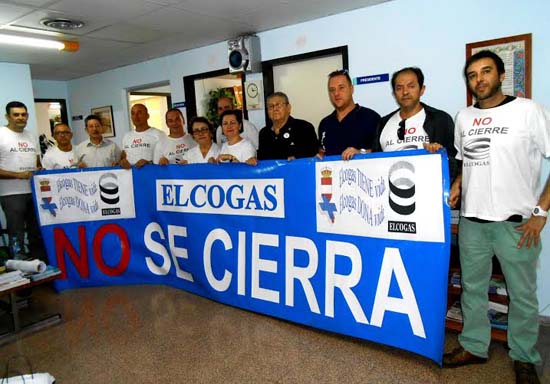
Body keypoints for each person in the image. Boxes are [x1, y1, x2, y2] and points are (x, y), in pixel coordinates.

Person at [443, 50, 549, 384]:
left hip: (516, 223)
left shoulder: (528, 111)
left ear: (501, 75)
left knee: (522, 295)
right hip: (472, 221)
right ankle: (474, 345)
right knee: (472, 290)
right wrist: (459, 184)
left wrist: (541, 212)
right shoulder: (464, 117)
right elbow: (468, 160)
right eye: (472, 75)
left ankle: (524, 357)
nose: (479, 80)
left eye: (485, 72)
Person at [373, 67, 457, 180]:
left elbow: (455, 163)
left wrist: (440, 152)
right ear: (394, 94)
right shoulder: (383, 123)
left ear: (422, 89)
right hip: (392, 192)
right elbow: (375, 163)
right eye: (399, 88)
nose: (405, 92)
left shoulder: (440, 119)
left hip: (429, 191)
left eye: (411, 86)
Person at [0, 101, 45, 260]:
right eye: (16, 114)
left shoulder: (31, 135)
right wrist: (18, 175)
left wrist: (39, 169)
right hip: (11, 194)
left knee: (37, 230)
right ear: (7, 116)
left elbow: (38, 163)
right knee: (16, 232)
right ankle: (20, 268)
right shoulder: (1, 134)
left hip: (33, 192)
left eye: (23, 114)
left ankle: (40, 264)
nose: (20, 118)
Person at [318, 69, 380, 160]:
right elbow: (321, 153)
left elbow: (381, 153)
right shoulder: (325, 123)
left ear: (351, 89)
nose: (336, 93)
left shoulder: (371, 118)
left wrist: (360, 152)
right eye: (332, 90)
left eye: (341, 88)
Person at [257, 92, 318, 160]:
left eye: (278, 105)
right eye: (271, 106)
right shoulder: (264, 133)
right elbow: (262, 160)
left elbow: (313, 155)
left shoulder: (304, 128)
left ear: (288, 108)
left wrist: (296, 159)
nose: (275, 109)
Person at [120, 103, 167, 169]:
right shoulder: (126, 136)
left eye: (139, 113)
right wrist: (122, 162)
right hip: (131, 177)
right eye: (133, 113)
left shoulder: (159, 134)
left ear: (147, 116)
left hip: (151, 175)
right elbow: (123, 157)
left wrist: (149, 163)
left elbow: (166, 159)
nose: (136, 116)